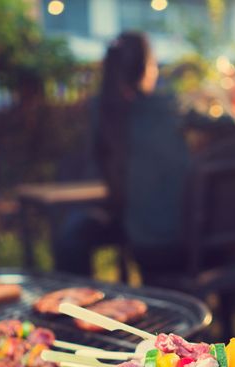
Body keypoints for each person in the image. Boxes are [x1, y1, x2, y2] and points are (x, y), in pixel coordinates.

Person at [53, 32, 192, 276]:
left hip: (127, 222)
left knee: (72, 234)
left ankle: (79, 295)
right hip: (167, 238)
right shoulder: (164, 111)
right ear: (146, 69)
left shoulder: (100, 109)